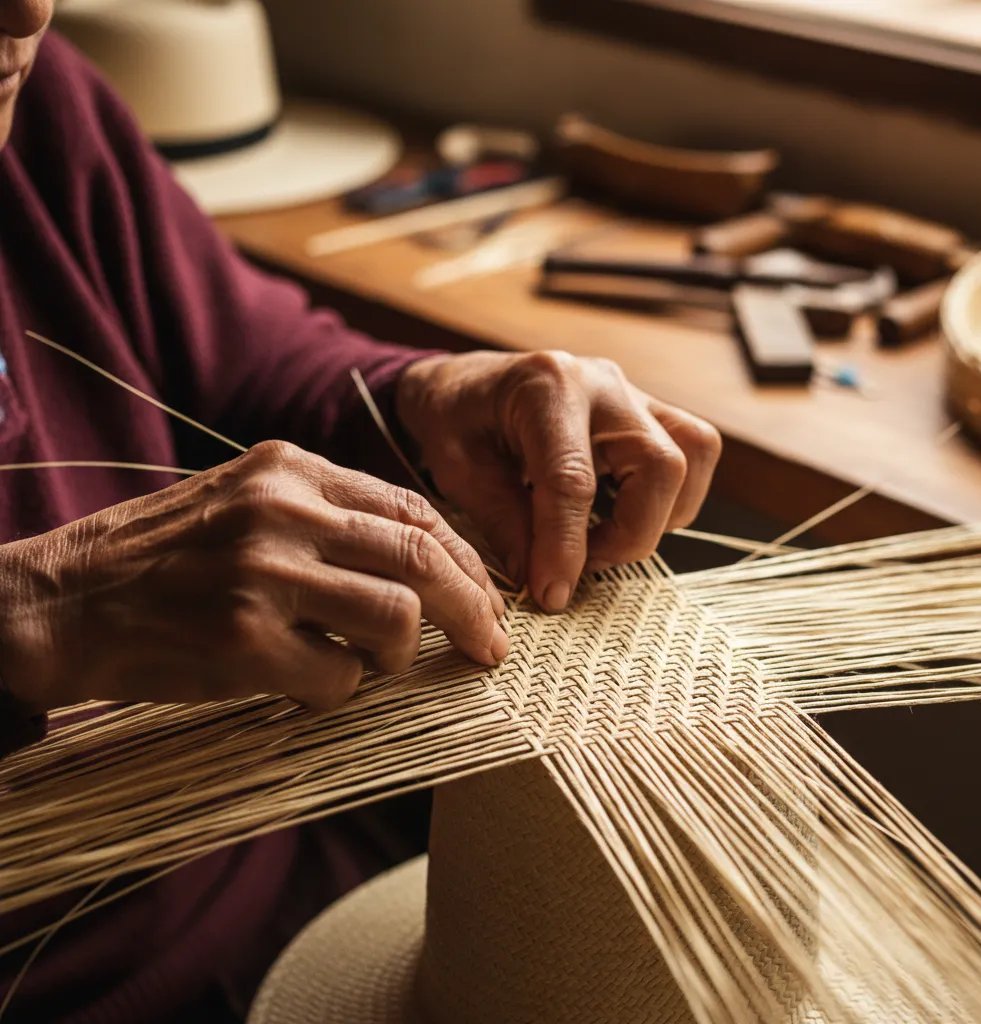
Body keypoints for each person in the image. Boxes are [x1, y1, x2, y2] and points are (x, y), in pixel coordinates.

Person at [0, 2, 721, 1020]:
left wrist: (426, 400)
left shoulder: (39, 101)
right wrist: (34, 611)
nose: (29, 7)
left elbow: (242, 353)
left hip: (285, 847)